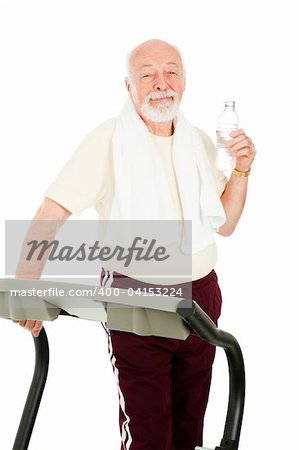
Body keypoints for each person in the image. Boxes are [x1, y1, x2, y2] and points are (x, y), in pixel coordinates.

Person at [15, 39, 256, 449]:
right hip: (135, 294)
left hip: (201, 296)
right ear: (129, 86)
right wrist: (26, 289)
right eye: (147, 74)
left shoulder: (198, 141)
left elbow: (226, 223)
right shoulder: (108, 140)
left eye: (171, 72)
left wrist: (242, 172)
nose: (161, 83)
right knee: (148, 430)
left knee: (188, 426)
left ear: (184, 81)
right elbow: (50, 214)